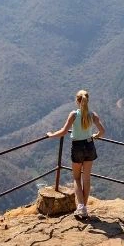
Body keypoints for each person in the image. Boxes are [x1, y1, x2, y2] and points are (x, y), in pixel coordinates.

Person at [47, 89, 105, 218]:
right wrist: (95, 135)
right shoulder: (93, 115)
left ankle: (81, 208)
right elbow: (102, 131)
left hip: (77, 147)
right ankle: (84, 207)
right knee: (87, 179)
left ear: (77, 101)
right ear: (87, 100)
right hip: (90, 145)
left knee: (77, 178)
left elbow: (63, 132)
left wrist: (51, 135)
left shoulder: (74, 114)